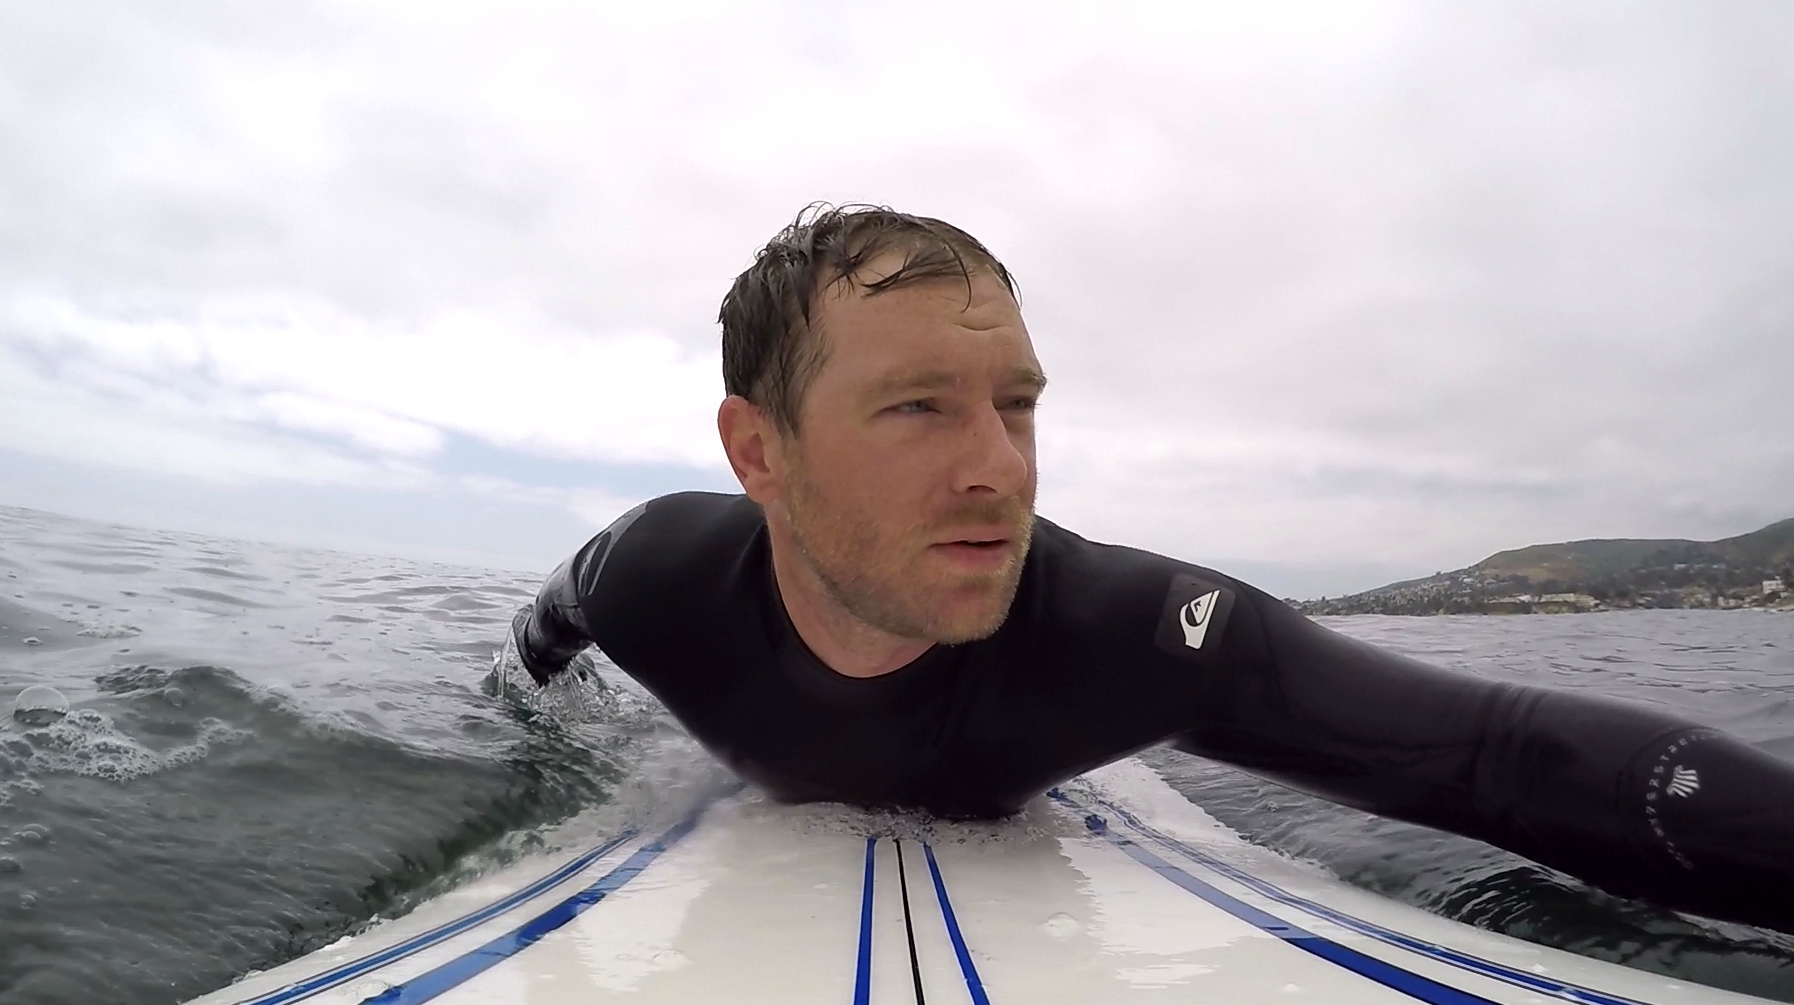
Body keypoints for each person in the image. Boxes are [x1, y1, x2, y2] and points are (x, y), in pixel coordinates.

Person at [512, 204, 1794, 934]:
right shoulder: (656, 574)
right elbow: (539, 645)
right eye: (917, 407)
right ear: (760, 451)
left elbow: (1500, 755)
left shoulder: (1126, 633)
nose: (1000, 470)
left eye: (1015, 406)